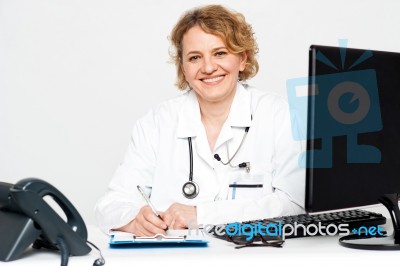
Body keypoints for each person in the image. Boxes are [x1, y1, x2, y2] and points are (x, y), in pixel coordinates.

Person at [95, 4, 305, 236]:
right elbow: (109, 206)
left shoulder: (278, 115)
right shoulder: (156, 123)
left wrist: (203, 215)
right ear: (183, 68)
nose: (208, 67)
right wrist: (134, 220)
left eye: (220, 53)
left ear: (242, 59)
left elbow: (295, 205)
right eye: (195, 58)